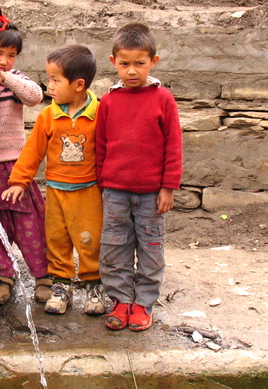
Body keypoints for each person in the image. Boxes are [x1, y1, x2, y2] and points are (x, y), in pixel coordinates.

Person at [2, 44, 105, 316]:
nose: (50, 87)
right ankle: (61, 285)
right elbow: (32, 151)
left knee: (89, 240)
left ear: (79, 84)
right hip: (56, 191)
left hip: (88, 192)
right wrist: (19, 181)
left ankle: (94, 284)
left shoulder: (99, 115)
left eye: (55, 80)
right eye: (49, 79)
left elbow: (108, 151)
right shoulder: (49, 115)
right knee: (57, 240)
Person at [96, 23, 182, 331]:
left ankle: (144, 303)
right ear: (113, 62)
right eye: (124, 64)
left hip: (151, 194)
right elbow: (100, 146)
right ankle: (120, 301)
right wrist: (101, 184)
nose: (132, 71)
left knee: (151, 247)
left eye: (139, 63)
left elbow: (174, 145)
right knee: (115, 247)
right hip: (115, 192)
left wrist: (168, 187)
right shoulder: (108, 102)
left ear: (153, 62)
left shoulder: (163, 99)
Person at [0, 8, 51, 306]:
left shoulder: (14, 80)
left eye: (11, 55)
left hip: (15, 166)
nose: (4, 61)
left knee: (30, 223)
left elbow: (34, 96)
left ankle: (43, 276)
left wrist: (6, 77)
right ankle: (4, 276)